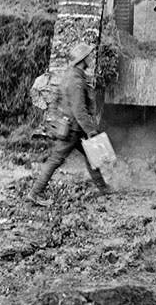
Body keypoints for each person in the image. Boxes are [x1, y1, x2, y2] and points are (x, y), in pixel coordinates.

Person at [27, 42, 111, 206]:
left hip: (72, 126)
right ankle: (35, 193)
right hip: (73, 129)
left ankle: (103, 187)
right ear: (82, 59)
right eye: (88, 56)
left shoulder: (71, 75)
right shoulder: (76, 81)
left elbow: (59, 100)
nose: (91, 58)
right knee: (55, 160)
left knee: (90, 156)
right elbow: (79, 110)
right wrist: (91, 131)